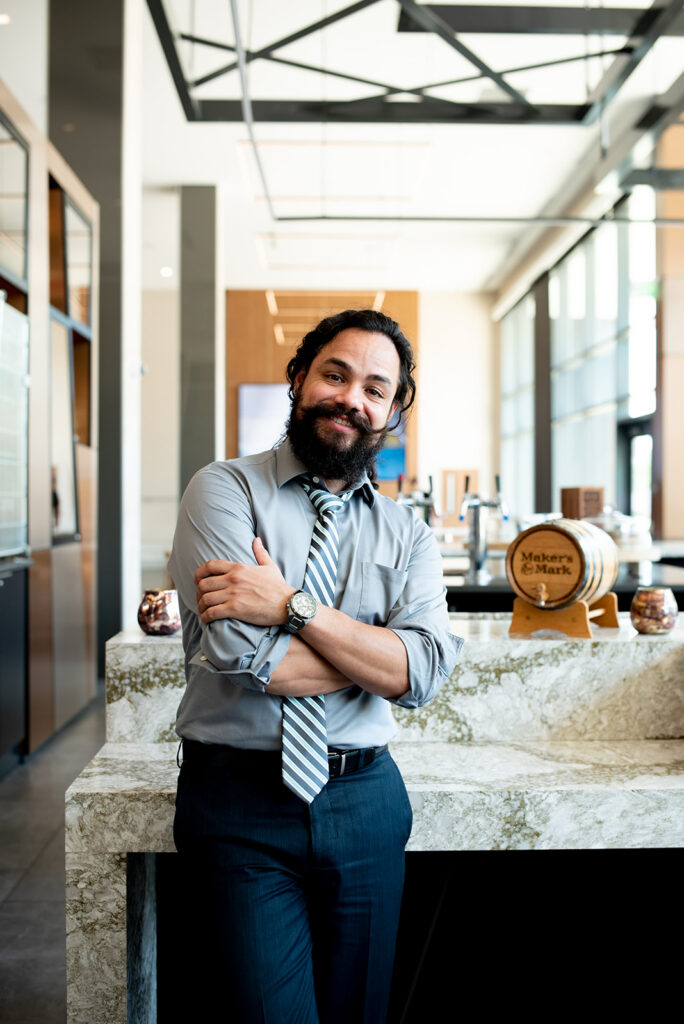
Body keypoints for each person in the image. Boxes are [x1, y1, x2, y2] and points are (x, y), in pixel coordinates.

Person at [169, 308, 463, 1024]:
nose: (351, 399)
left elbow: (423, 674)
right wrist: (375, 654)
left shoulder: (408, 530)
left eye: (375, 388)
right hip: (240, 803)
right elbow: (244, 655)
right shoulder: (224, 490)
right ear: (299, 378)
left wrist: (293, 607)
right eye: (335, 374)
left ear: (390, 412)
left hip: (367, 802)